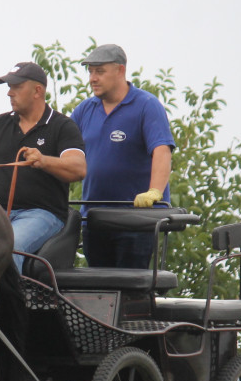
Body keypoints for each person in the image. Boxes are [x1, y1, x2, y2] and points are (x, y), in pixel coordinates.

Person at [0, 61, 86, 271]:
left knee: (8, 247)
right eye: (9, 87)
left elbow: (78, 169)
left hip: (42, 214)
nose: (9, 93)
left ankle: (7, 304)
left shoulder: (62, 126)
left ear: (37, 91)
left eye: (16, 87)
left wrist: (44, 161)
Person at [71, 44, 176, 269]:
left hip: (136, 220)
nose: (92, 78)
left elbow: (162, 151)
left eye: (99, 71)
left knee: (130, 290)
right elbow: (65, 153)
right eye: (90, 72)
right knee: (101, 292)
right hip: (95, 219)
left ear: (120, 70)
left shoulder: (146, 105)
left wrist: (154, 191)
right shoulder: (84, 110)